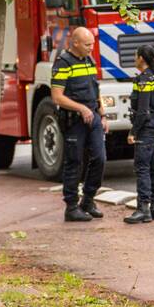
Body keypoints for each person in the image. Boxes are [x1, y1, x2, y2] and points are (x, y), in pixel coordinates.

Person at [52, 26, 108, 222]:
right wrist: (80, 108)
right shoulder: (63, 64)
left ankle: (88, 200)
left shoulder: (89, 60)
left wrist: (102, 114)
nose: (91, 48)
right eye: (87, 44)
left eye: (92, 44)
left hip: (93, 117)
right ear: (74, 43)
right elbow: (57, 97)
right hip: (74, 121)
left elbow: (95, 89)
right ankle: (72, 206)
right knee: (74, 162)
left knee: (100, 159)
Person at [125, 45, 154, 224]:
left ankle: (143, 209)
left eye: (136, 56)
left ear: (141, 58)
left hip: (147, 126)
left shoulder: (143, 79)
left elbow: (142, 111)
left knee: (142, 167)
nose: (135, 59)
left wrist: (133, 131)